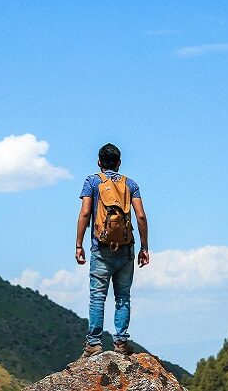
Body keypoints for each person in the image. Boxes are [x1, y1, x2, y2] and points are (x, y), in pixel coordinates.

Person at [75, 143, 149, 358]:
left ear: (99, 162)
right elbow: (141, 216)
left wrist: (79, 245)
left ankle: (93, 345)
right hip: (126, 248)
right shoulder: (131, 184)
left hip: (101, 247)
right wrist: (144, 247)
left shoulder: (92, 181)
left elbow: (85, 213)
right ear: (119, 163)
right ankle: (121, 342)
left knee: (97, 296)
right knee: (123, 296)